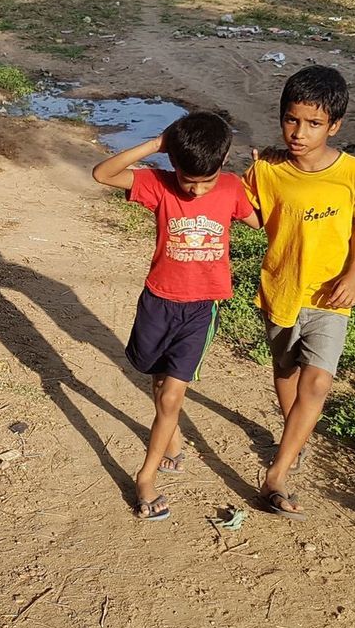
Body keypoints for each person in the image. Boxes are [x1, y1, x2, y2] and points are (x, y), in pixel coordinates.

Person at [93, 112, 260, 521]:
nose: (197, 189)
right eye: (189, 180)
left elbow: (259, 221)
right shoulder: (159, 184)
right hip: (158, 302)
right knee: (156, 378)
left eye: (207, 181)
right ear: (173, 163)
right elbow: (103, 173)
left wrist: (263, 180)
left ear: (223, 162)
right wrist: (157, 143)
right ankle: (171, 436)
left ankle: (145, 477)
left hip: (202, 308)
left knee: (171, 394)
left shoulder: (232, 187)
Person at [244, 67, 355, 520]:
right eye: (291, 120)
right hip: (281, 288)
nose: (299, 133)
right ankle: (295, 438)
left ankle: (277, 473)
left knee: (319, 381)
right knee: (286, 370)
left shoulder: (352, 172)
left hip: (330, 295)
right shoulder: (268, 169)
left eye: (313, 124)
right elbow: (251, 214)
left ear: (335, 126)